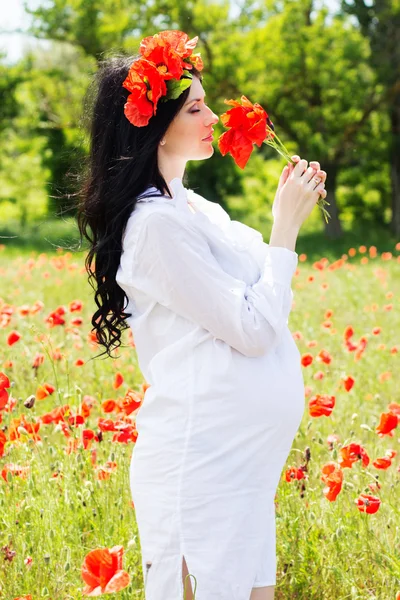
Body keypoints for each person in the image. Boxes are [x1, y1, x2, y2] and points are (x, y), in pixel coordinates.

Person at [77, 30, 327, 600]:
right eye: (195, 107)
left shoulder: (195, 208)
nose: (213, 115)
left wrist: (284, 219)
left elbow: (264, 293)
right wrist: (284, 226)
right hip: (202, 469)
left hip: (240, 473)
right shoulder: (155, 224)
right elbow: (255, 329)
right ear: (154, 125)